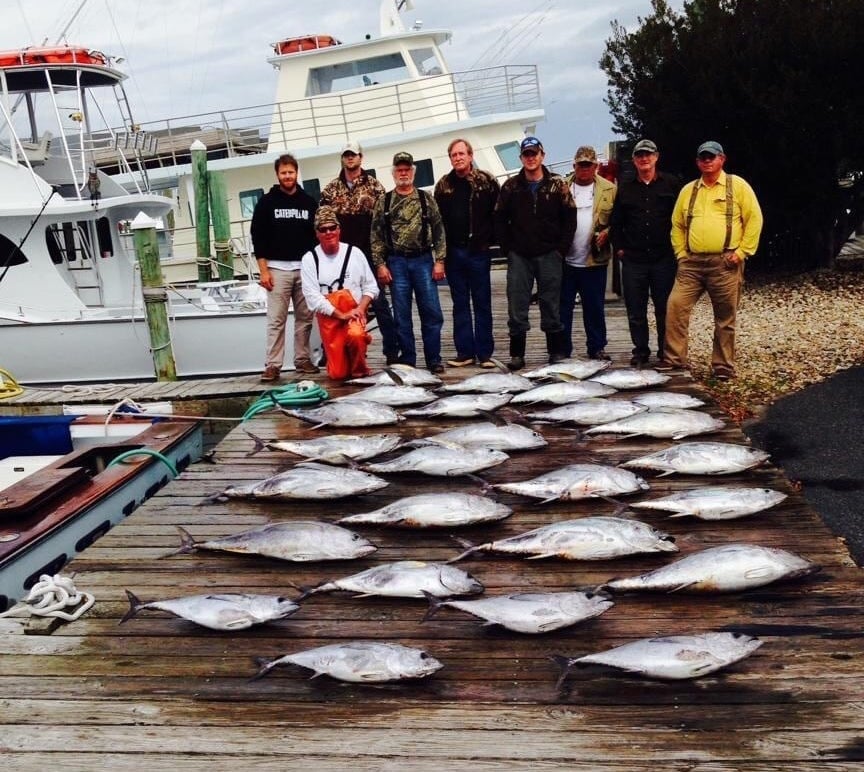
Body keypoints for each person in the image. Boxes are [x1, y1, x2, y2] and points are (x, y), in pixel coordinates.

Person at [662, 140, 763, 381]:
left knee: (725, 317)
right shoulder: (688, 190)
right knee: (675, 308)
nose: (707, 161)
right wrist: (681, 254)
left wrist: (741, 252)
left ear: (722, 159)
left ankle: (722, 367)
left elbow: (754, 220)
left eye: (712, 157)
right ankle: (675, 360)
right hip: (691, 264)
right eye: (703, 157)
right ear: (697, 162)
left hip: (725, 262)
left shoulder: (737, 186)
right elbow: (677, 225)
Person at [493, 136, 576, 371]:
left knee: (551, 303)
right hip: (519, 255)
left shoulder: (558, 184)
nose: (531, 158)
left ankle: (555, 351)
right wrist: (507, 248)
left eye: (534, 153)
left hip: (550, 253)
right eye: (527, 154)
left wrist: (562, 249)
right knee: (517, 305)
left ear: (542, 155)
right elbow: (499, 218)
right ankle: (517, 354)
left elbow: (570, 217)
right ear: (521, 158)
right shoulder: (510, 186)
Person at [319, 140, 400, 365]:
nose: (350, 158)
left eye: (353, 154)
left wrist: (383, 259)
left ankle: (392, 353)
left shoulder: (375, 187)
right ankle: (336, 353)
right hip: (341, 259)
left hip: (370, 256)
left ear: (360, 157)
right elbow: (322, 224)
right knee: (341, 305)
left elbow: (386, 224)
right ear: (342, 159)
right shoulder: (330, 190)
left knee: (380, 304)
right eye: (346, 155)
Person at [370, 151, 447, 374]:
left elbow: (440, 230)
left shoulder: (426, 199)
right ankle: (409, 359)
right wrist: (380, 264)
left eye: (407, 169)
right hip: (396, 263)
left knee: (432, 313)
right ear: (394, 173)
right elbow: (376, 236)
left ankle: (434, 359)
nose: (403, 173)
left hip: (423, 260)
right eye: (399, 170)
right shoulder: (384, 202)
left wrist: (439, 260)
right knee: (402, 316)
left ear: (413, 172)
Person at [609, 139, 682, 366]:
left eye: (648, 154)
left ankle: (664, 351)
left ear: (656, 157)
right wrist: (620, 249)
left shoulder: (671, 184)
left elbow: (681, 219)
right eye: (639, 155)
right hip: (634, 260)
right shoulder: (625, 187)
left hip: (663, 258)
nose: (644, 159)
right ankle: (640, 350)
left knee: (664, 308)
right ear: (634, 160)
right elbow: (616, 223)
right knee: (635, 309)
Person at [251, 153, 319, 381]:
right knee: (276, 320)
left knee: (305, 318)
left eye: (291, 172)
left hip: (304, 269)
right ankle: (273, 364)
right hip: (276, 269)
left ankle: (302, 359)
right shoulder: (266, 203)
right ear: (277, 175)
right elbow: (257, 237)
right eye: (283, 172)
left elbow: (317, 238)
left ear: (296, 173)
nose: (287, 176)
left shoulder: (309, 202)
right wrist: (263, 270)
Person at [433, 138, 500, 368]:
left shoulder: (487, 181)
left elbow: (498, 214)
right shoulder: (443, 185)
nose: (458, 158)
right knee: (460, 304)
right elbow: (437, 223)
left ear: (470, 156)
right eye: (454, 155)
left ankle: (485, 354)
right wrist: (440, 256)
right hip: (454, 254)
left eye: (462, 154)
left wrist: (489, 239)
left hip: (479, 252)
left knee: (482, 302)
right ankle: (465, 353)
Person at [300, 205, 378, 380]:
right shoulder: (309, 259)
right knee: (338, 375)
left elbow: (371, 287)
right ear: (317, 233)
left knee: (356, 335)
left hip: (354, 314)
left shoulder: (355, 253)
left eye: (332, 228)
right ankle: (340, 360)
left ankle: (360, 371)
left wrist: (361, 308)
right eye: (323, 229)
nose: (329, 232)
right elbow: (312, 297)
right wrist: (341, 315)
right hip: (330, 318)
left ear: (339, 229)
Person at [560, 145, 617, 361]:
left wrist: (608, 233)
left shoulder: (610, 189)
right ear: (574, 166)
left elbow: (618, 220)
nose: (584, 169)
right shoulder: (561, 187)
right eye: (580, 165)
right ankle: (563, 350)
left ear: (596, 166)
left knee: (594, 308)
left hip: (595, 261)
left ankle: (597, 347)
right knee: (563, 308)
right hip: (565, 261)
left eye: (588, 165)